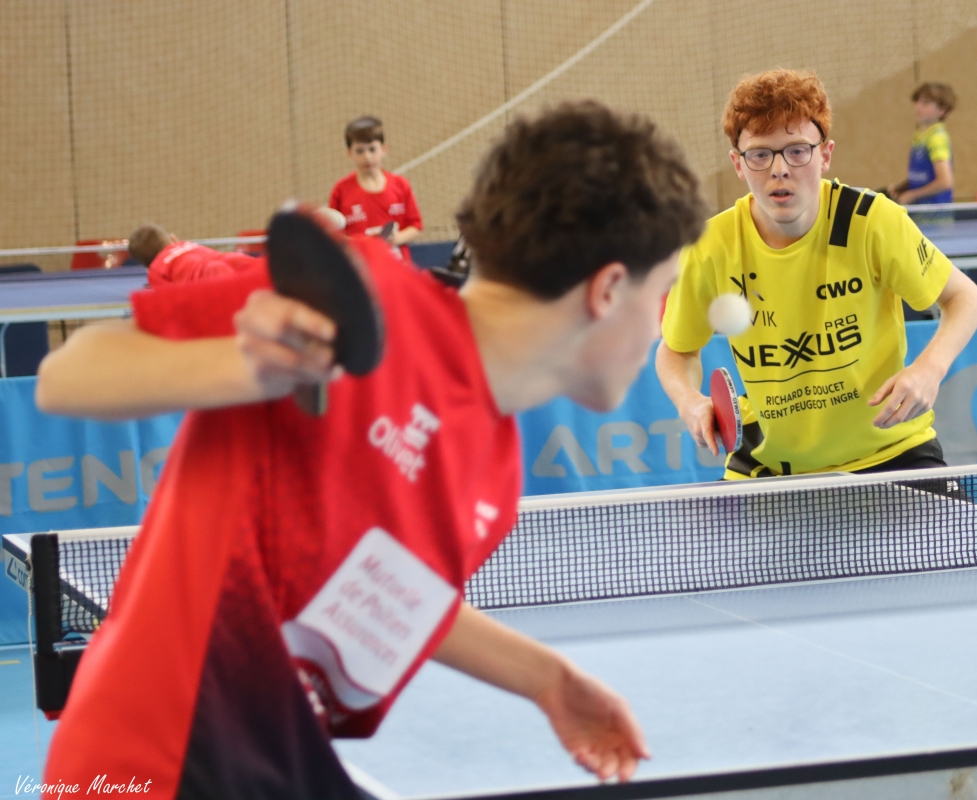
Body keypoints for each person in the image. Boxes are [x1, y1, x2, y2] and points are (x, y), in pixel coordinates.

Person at [35, 101, 707, 798]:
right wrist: (251, 369)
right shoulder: (364, 296)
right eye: (661, 291)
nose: (659, 323)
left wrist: (549, 681)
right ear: (607, 289)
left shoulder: (496, 471)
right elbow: (67, 374)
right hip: (155, 761)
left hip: (282, 757)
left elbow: (381, 593)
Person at [657, 69, 977, 479]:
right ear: (738, 164)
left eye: (797, 151)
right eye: (760, 155)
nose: (779, 169)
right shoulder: (711, 246)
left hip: (892, 454)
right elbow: (676, 350)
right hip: (769, 466)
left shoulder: (871, 221)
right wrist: (689, 401)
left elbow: (965, 297)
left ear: (825, 155)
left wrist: (929, 369)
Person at [328, 115, 424, 262]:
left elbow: (416, 226)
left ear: (384, 149)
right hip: (360, 266)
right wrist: (364, 244)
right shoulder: (341, 190)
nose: (367, 156)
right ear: (349, 153)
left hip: (397, 265)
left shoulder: (401, 185)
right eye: (360, 151)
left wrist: (394, 239)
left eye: (372, 149)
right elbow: (332, 235)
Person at [885, 82, 957, 206]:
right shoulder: (919, 137)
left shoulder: (937, 138)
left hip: (936, 213)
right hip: (919, 211)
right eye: (917, 101)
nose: (918, 106)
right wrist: (904, 187)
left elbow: (944, 182)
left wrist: (912, 195)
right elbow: (924, 178)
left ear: (942, 110)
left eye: (926, 103)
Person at [128, 222, 260, 287]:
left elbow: (167, 299)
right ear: (174, 238)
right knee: (261, 272)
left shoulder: (156, 269)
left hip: (208, 273)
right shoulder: (184, 244)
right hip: (230, 258)